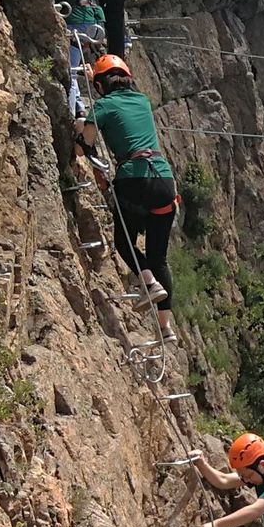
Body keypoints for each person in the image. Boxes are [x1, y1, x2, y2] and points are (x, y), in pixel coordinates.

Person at [78, 55, 177, 341]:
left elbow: (84, 146)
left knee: (125, 243)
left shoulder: (104, 105)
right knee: (159, 258)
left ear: (99, 86)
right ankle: (165, 327)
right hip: (163, 181)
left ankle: (148, 284)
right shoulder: (143, 101)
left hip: (133, 180)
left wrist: (79, 126)